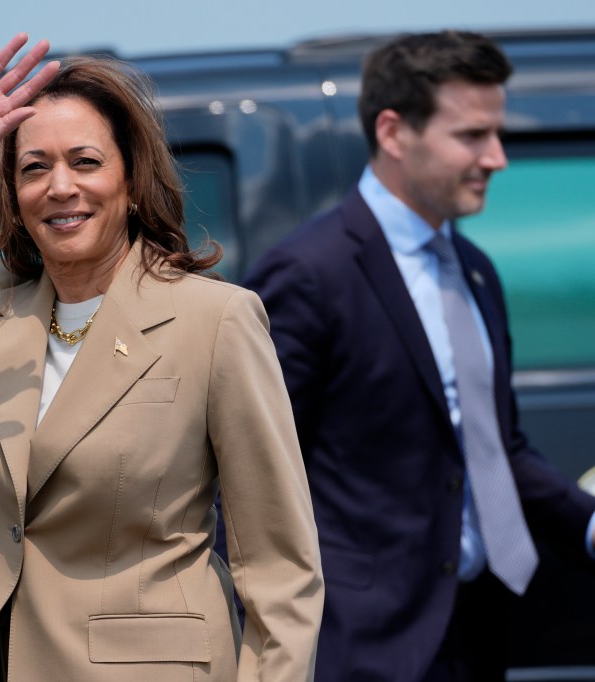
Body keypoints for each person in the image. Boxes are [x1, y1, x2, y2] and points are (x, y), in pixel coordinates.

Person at [0, 34, 323, 682]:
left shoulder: (215, 321)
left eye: (85, 162)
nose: (60, 187)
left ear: (131, 181)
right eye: (34, 168)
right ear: (13, 195)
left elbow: (281, 570)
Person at [243, 30, 595, 681]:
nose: (498, 158)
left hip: (475, 633)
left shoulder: (476, 270)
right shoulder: (309, 274)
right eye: (472, 136)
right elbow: (248, 473)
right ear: (394, 131)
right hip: (359, 651)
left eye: (497, 133)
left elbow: (495, 449)